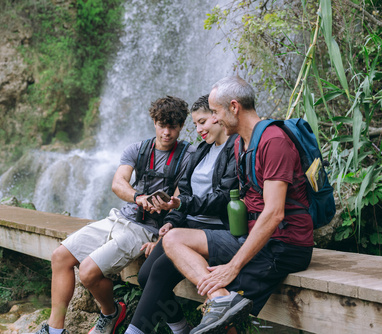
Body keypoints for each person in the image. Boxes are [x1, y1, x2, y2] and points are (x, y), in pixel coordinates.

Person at [31, 96, 196, 334]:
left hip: (145, 230)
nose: (167, 132)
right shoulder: (138, 149)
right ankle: (55, 330)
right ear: (154, 121)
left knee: (87, 272)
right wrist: (138, 197)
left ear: (181, 126)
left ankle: (111, 313)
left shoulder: (188, 156)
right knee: (59, 257)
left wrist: (162, 239)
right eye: (162, 125)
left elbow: (181, 201)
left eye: (173, 127)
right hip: (119, 218)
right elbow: (118, 182)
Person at [163, 76, 314, 334]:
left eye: (215, 111)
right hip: (252, 237)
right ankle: (222, 300)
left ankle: (223, 305)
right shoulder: (242, 145)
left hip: (283, 244)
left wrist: (233, 266)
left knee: (224, 326)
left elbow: (275, 213)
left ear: (234, 107)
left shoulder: (273, 141)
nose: (214, 119)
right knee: (174, 239)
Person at [124, 94, 238, 334]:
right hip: (188, 227)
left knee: (160, 271)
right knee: (145, 276)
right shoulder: (201, 151)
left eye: (203, 122)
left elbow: (223, 198)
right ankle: (180, 328)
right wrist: (171, 221)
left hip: (215, 230)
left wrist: (180, 207)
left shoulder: (234, 149)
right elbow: (184, 192)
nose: (198, 129)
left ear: (218, 118)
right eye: (195, 124)